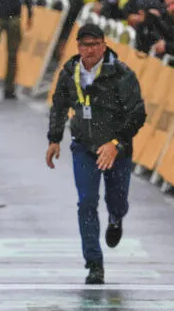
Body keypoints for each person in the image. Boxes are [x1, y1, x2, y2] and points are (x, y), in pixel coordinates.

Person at [46, 24, 146, 285]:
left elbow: (137, 113)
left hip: (117, 149)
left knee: (117, 201)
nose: (89, 50)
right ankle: (94, 263)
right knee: (87, 202)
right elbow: (59, 105)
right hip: (84, 146)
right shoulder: (70, 72)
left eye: (94, 45)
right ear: (78, 47)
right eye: (84, 45)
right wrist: (54, 139)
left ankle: (116, 219)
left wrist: (116, 143)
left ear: (103, 45)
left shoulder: (121, 74)